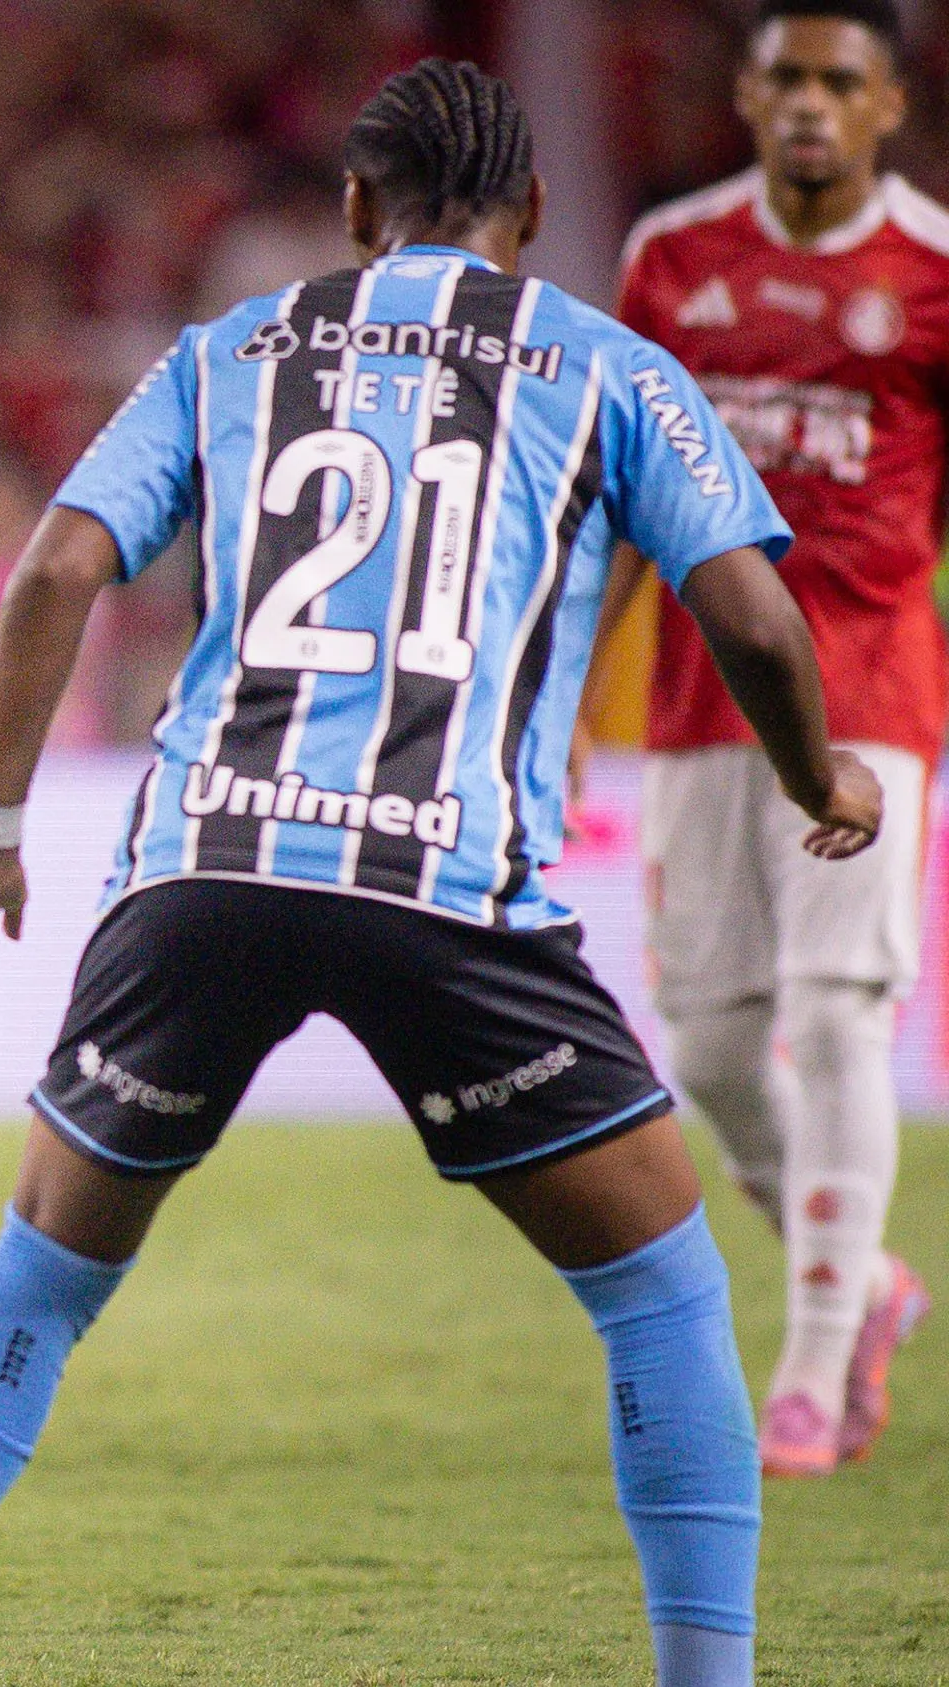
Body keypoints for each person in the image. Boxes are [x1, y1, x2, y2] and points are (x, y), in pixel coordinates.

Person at [0, 61, 882, 1687]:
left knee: (44, 1263)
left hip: (207, 862)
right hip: (447, 884)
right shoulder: (609, 365)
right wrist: (820, 777)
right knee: (662, 1289)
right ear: (531, 214)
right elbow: (747, 612)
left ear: (356, 208)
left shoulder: (232, 349)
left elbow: (53, 570)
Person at [598, 0, 934, 1479]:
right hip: (698, 695)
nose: (809, 103)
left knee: (841, 1012)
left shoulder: (935, 272)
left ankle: (808, 1364)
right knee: (715, 1042)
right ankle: (867, 1281)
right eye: (785, 78)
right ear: (744, 94)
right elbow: (623, 496)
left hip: (872, 689)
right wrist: (568, 699)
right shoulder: (673, 259)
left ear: (886, 107)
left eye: (838, 83)